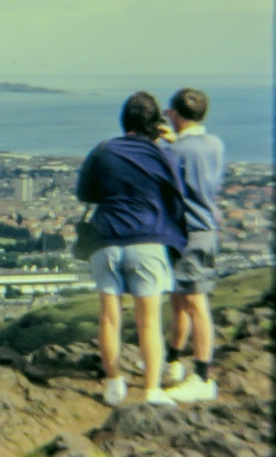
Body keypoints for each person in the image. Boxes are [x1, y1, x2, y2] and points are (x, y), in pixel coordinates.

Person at [75, 91, 186, 407]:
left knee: (109, 317)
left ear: (124, 121)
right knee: (148, 321)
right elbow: (177, 195)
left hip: (106, 239)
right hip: (148, 242)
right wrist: (169, 141)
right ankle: (151, 389)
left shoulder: (103, 151)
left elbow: (86, 193)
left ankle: (114, 384)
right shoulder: (162, 155)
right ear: (155, 123)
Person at [162, 88, 224, 402]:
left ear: (176, 114)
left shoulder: (174, 151)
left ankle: (201, 377)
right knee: (181, 298)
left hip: (188, 232)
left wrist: (165, 144)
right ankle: (173, 362)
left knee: (195, 304)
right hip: (206, 229)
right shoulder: (214, 144)